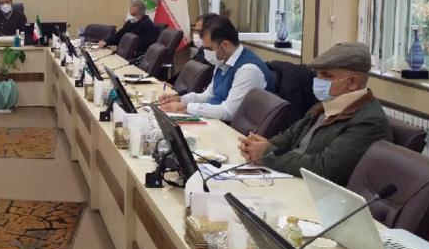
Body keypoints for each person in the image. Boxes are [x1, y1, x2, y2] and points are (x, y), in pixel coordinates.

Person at [238, 42, 391, 185]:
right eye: (317, 74)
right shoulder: (325, 105)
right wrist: (259, 146)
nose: (317, 80)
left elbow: (324, 169)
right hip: (293, 179)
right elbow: (290, 136)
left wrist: (268, 155)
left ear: (353, 82)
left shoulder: (369, 122)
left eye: (326, 75)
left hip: (317, 193)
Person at [158, 16, 272, 120]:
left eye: (209, 48)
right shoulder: (223, 60)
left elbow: (229, 112)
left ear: (225, 45)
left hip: (235, 131)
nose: (206, 53)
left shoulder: (248, 70)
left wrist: (187, 107)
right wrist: (181, 99)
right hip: (217, 122)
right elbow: (208, 95)